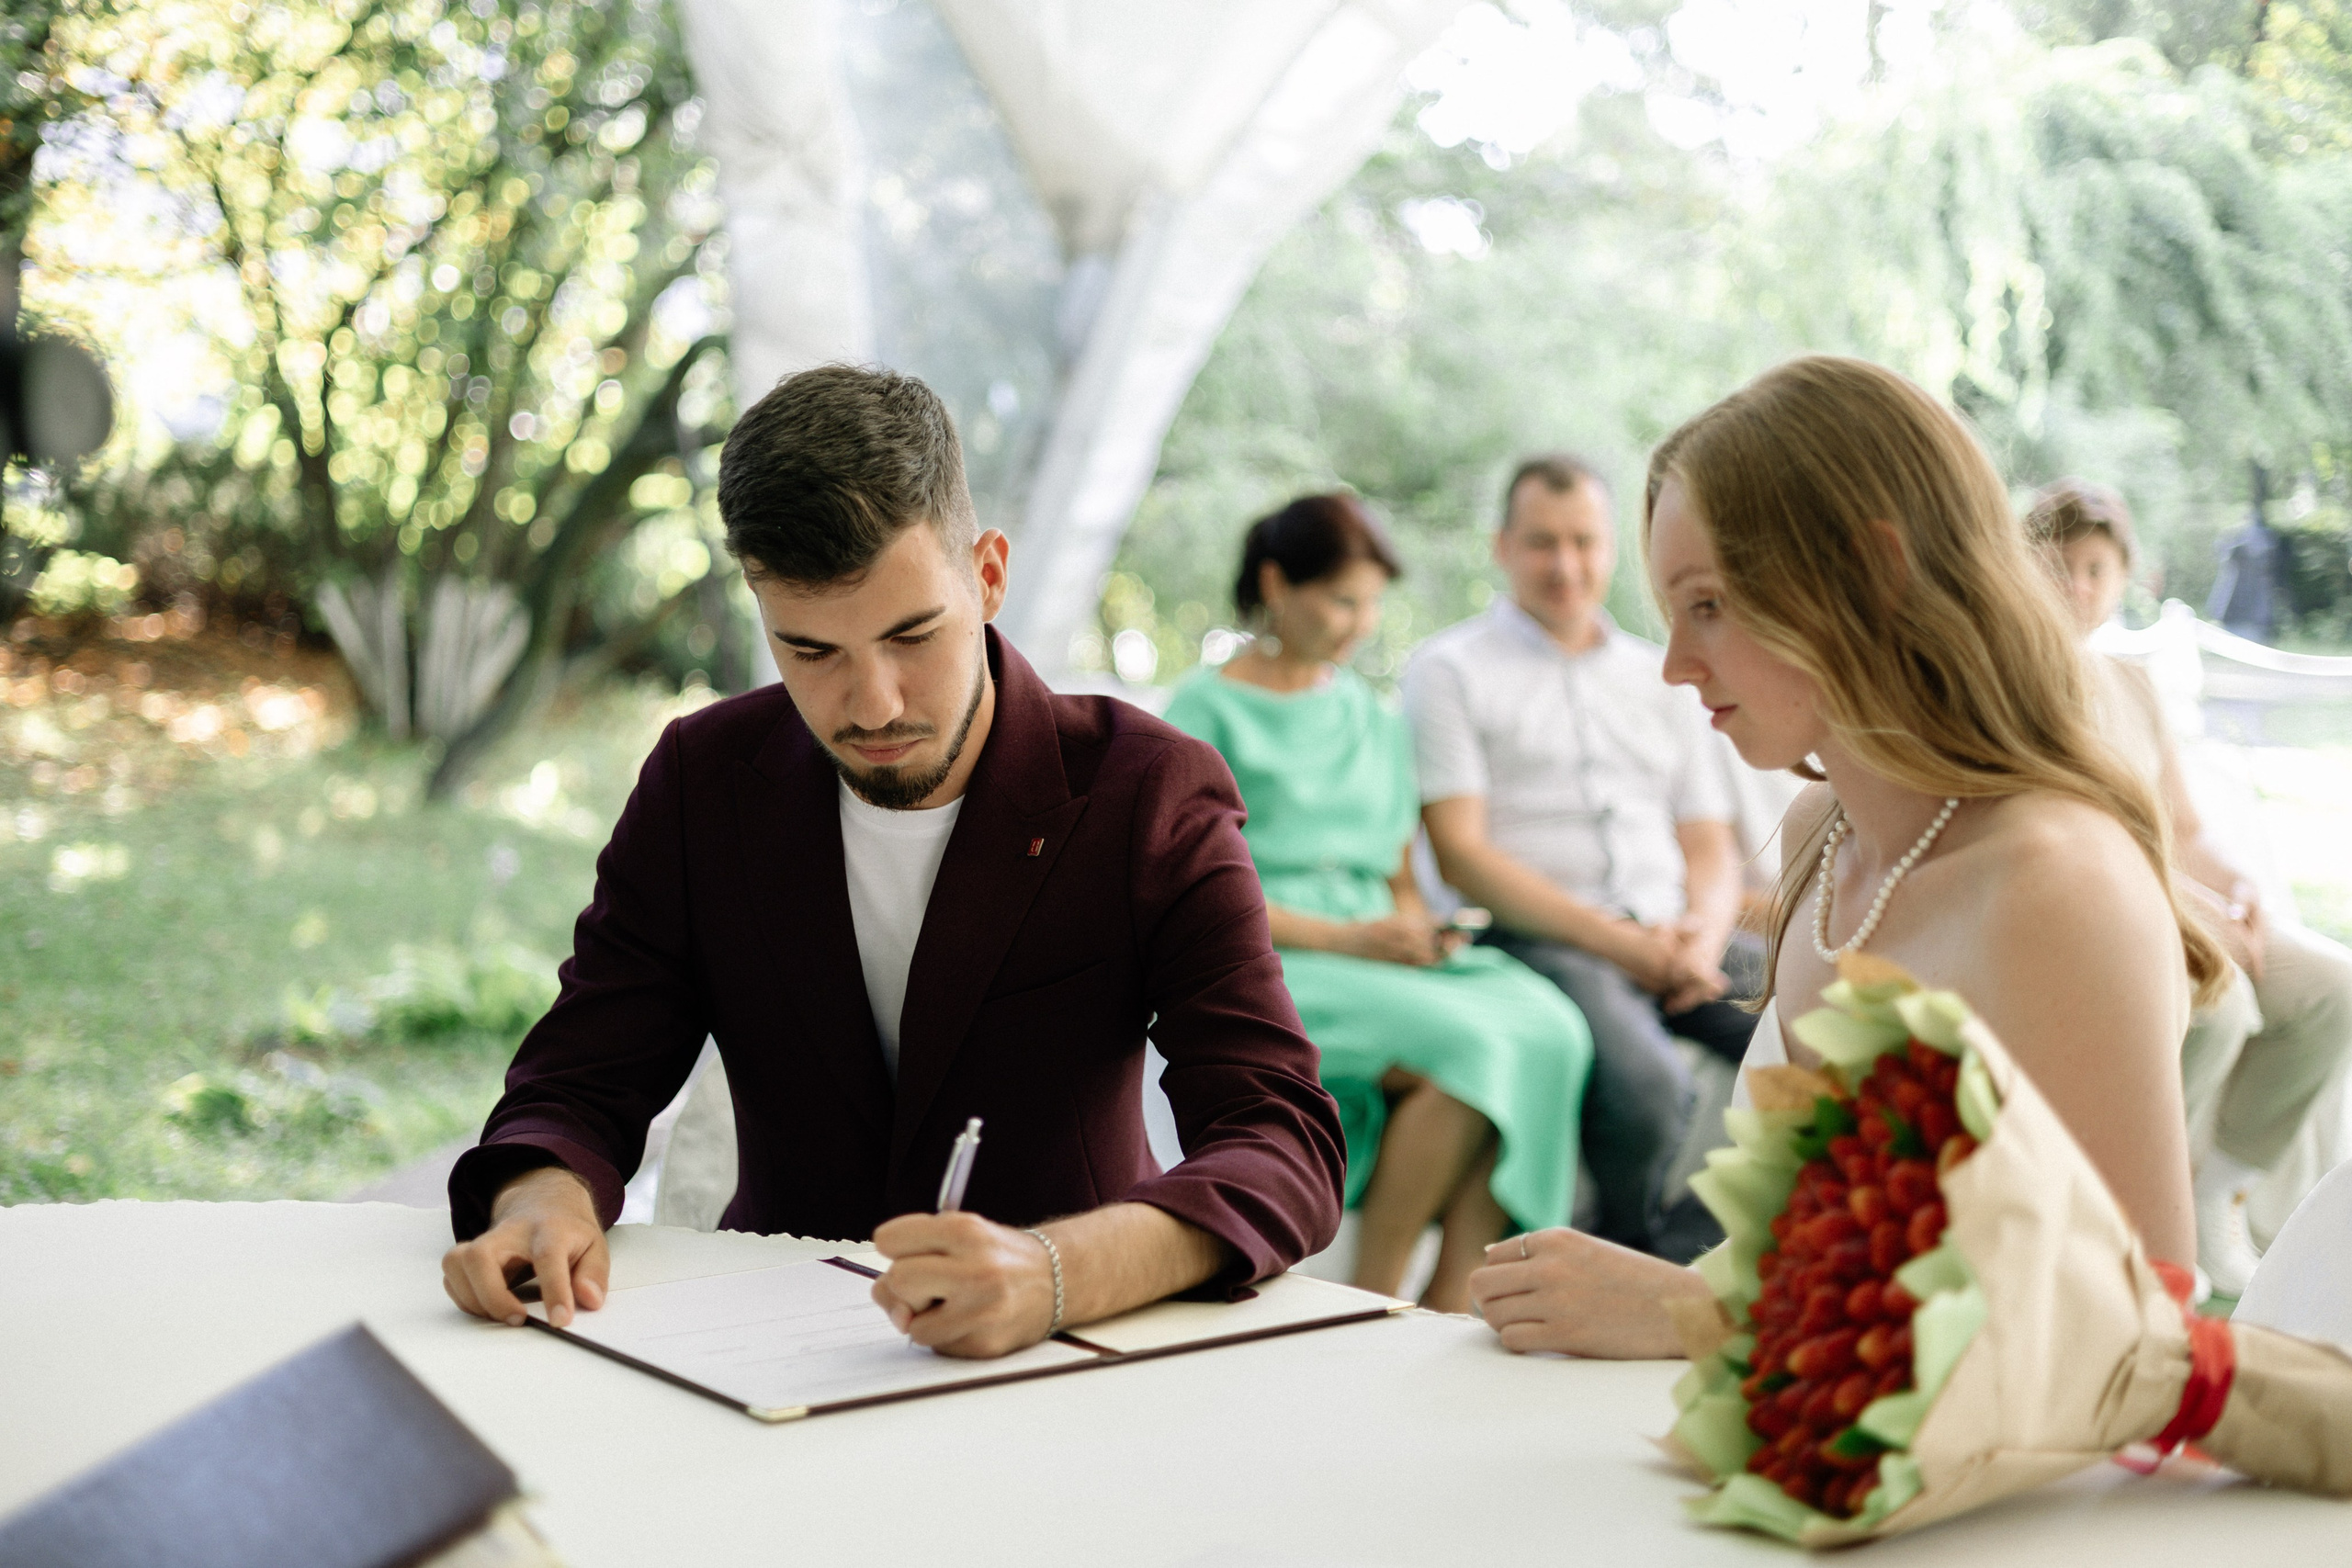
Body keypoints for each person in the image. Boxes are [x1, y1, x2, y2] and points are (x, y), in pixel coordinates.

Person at [439, 366, 1346, 1359]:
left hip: (1067, 1356)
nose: (871, 705)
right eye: (811, 652)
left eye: (913, 634)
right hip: (761, 1343)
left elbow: (1282, 1142)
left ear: (988, 574)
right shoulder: (703, 783)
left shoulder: (1149, 793)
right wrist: (541, 1200)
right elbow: (578, 1083)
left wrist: (1055, 1274)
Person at [1467, 356, 2228, 1358]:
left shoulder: (2055, 882)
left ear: (1870, 571)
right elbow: (1803, 1250)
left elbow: (2144, 1334)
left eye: (1708, 606)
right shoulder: (1820, 838)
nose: (1673, 665)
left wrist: (1694, 1315)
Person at [1163, 493, 1595, 1312]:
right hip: (1272, 957)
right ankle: (1379, 1296)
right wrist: (1357, 939)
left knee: (1551, 1027)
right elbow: (1199, 896)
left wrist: (1414, 927)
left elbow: (1400, 872)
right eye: (1340, 599)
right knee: (1468, 1052)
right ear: (1275, 583)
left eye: (1370, 603)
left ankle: (1459, 1299)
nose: (1359, 623)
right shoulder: (1203, 709)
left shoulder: (1366, 712)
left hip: (1375, 948)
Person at [1404, 454, 1755, 1260]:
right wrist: (1625, 946)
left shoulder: (1663, 673)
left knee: (1820, 1019)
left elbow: (1709, 843)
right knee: (1647, 1086)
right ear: (1501, 546)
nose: (1566, 566)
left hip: (1675, 934)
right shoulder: (1450, 670)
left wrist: (1698, 938)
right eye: (1541, 543)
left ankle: (1712, 1255)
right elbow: (1461, 855)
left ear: (1612, 548)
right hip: (1538, 937)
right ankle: (1628, 1254)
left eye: (1585, 542)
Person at [2031, 478, 2352, 1297]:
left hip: (2182, 903)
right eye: (2062, 564)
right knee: (2223, 1003)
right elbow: (2070, 841)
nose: (2079, 584)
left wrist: (2235, 882)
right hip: (2106, 918)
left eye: (2098, 567)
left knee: (2330, 988)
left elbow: (2185, 823)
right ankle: (2133, 1219)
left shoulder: (2132, 686)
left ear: (2123, 578)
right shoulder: (2017, 688)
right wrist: (2186, 905)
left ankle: (2219, 1191)